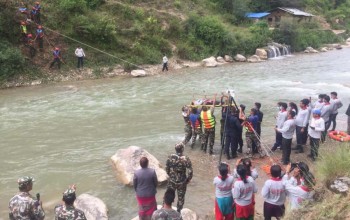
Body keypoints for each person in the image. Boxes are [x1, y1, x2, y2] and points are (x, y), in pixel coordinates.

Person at [166, 142, 193, 212]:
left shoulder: (170, 157)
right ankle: (178, 213)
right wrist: (188, 180)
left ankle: (166, 210)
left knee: (168, 196)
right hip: (182, 182)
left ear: (175, 149)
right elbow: (190, 171)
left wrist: (170, 176)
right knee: (181, 199)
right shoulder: (186, 158)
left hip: (172, 180)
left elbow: (167, 168)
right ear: (182, 149)